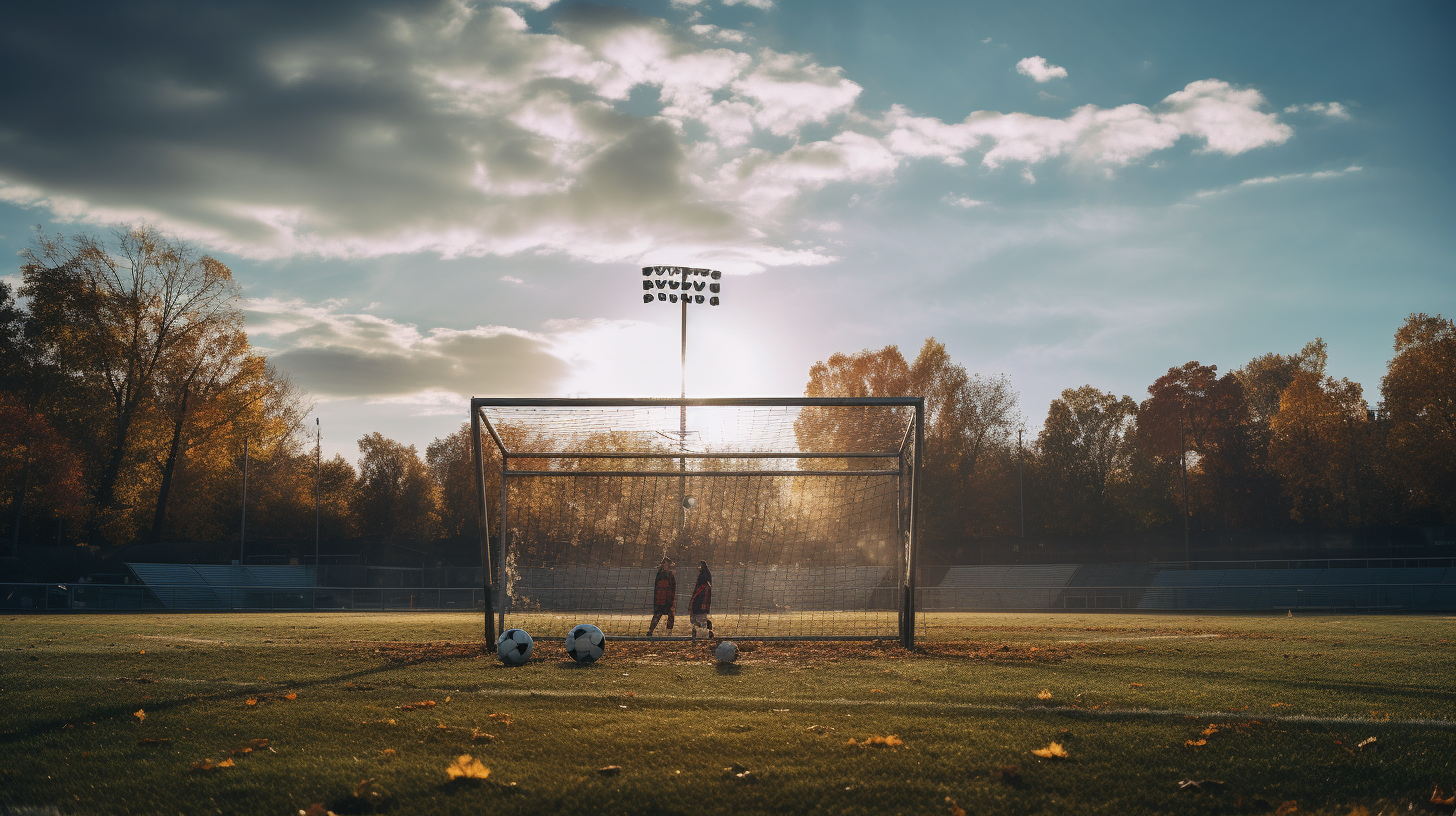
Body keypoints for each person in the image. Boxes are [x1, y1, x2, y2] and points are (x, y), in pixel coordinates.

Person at [647, 556, 676, 636]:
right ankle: (650, 631)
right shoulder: (660, 573)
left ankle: (669, 632)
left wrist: (671, 598)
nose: (666, 565)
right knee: (657, 615)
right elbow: (657, 587)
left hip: (667, 599)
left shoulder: (670, 574)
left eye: (668, 564)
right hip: (660, 599)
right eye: (665, 563)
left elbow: (673, 587)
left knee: (671, 615)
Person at [690, 560, 713, 639]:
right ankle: (700, 628)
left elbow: (699, 589)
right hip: (702, 600)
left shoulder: (703, 578)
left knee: (698, 616)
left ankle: (703, 629)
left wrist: (694, 599)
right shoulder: (705, 577)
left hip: (700, 599)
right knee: (698, 616)